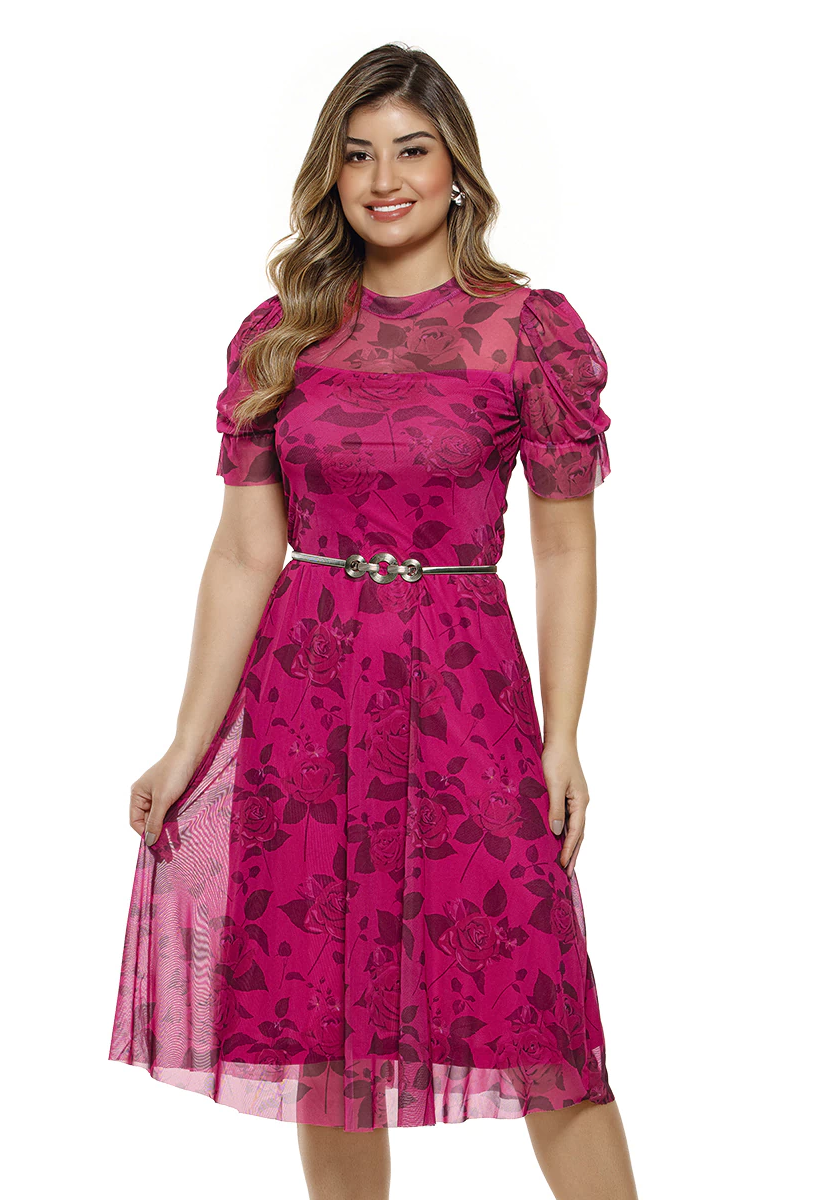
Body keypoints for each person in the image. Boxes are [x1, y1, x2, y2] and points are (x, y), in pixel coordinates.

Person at [108, 41, 639, 1200]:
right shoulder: (281, 331)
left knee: (542, 1015)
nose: (383, 179)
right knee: (326, 1028)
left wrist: (562, 737)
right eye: (356, 155)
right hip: (306, 696)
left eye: (410, 150)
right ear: (330, 175)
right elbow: (244, 552)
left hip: (465, 692)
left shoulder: (527, 331)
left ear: (458, 169)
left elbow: (563, 545)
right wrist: (185, 743)